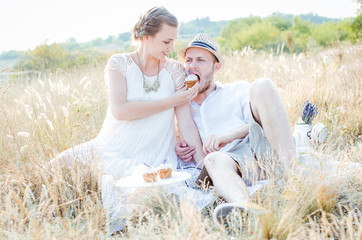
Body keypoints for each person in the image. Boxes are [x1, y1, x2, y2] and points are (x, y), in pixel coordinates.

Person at [46, 6, 205, 179]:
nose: (172, 47)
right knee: (50, 169)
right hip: (113, 147)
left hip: (154, 156)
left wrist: (204, 166)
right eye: (166, 42)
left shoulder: (175, 70)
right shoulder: (119, 64)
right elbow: (120, 111)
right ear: (146, 37)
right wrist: (170, 101)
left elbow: (187, 124)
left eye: (174, 41)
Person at [175, 33, 302, 222]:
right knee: (213, 159)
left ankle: (296, 178)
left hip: (256, 150)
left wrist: (230, 135)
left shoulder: (235, 91)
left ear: (215, 67)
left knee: (262, 85)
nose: (192, 66)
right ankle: (244, 207)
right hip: (225, 163)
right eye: (189, 60)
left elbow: (265, 120)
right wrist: (178, 145)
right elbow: (186, 145)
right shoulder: (185, 106)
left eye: (201, 60)